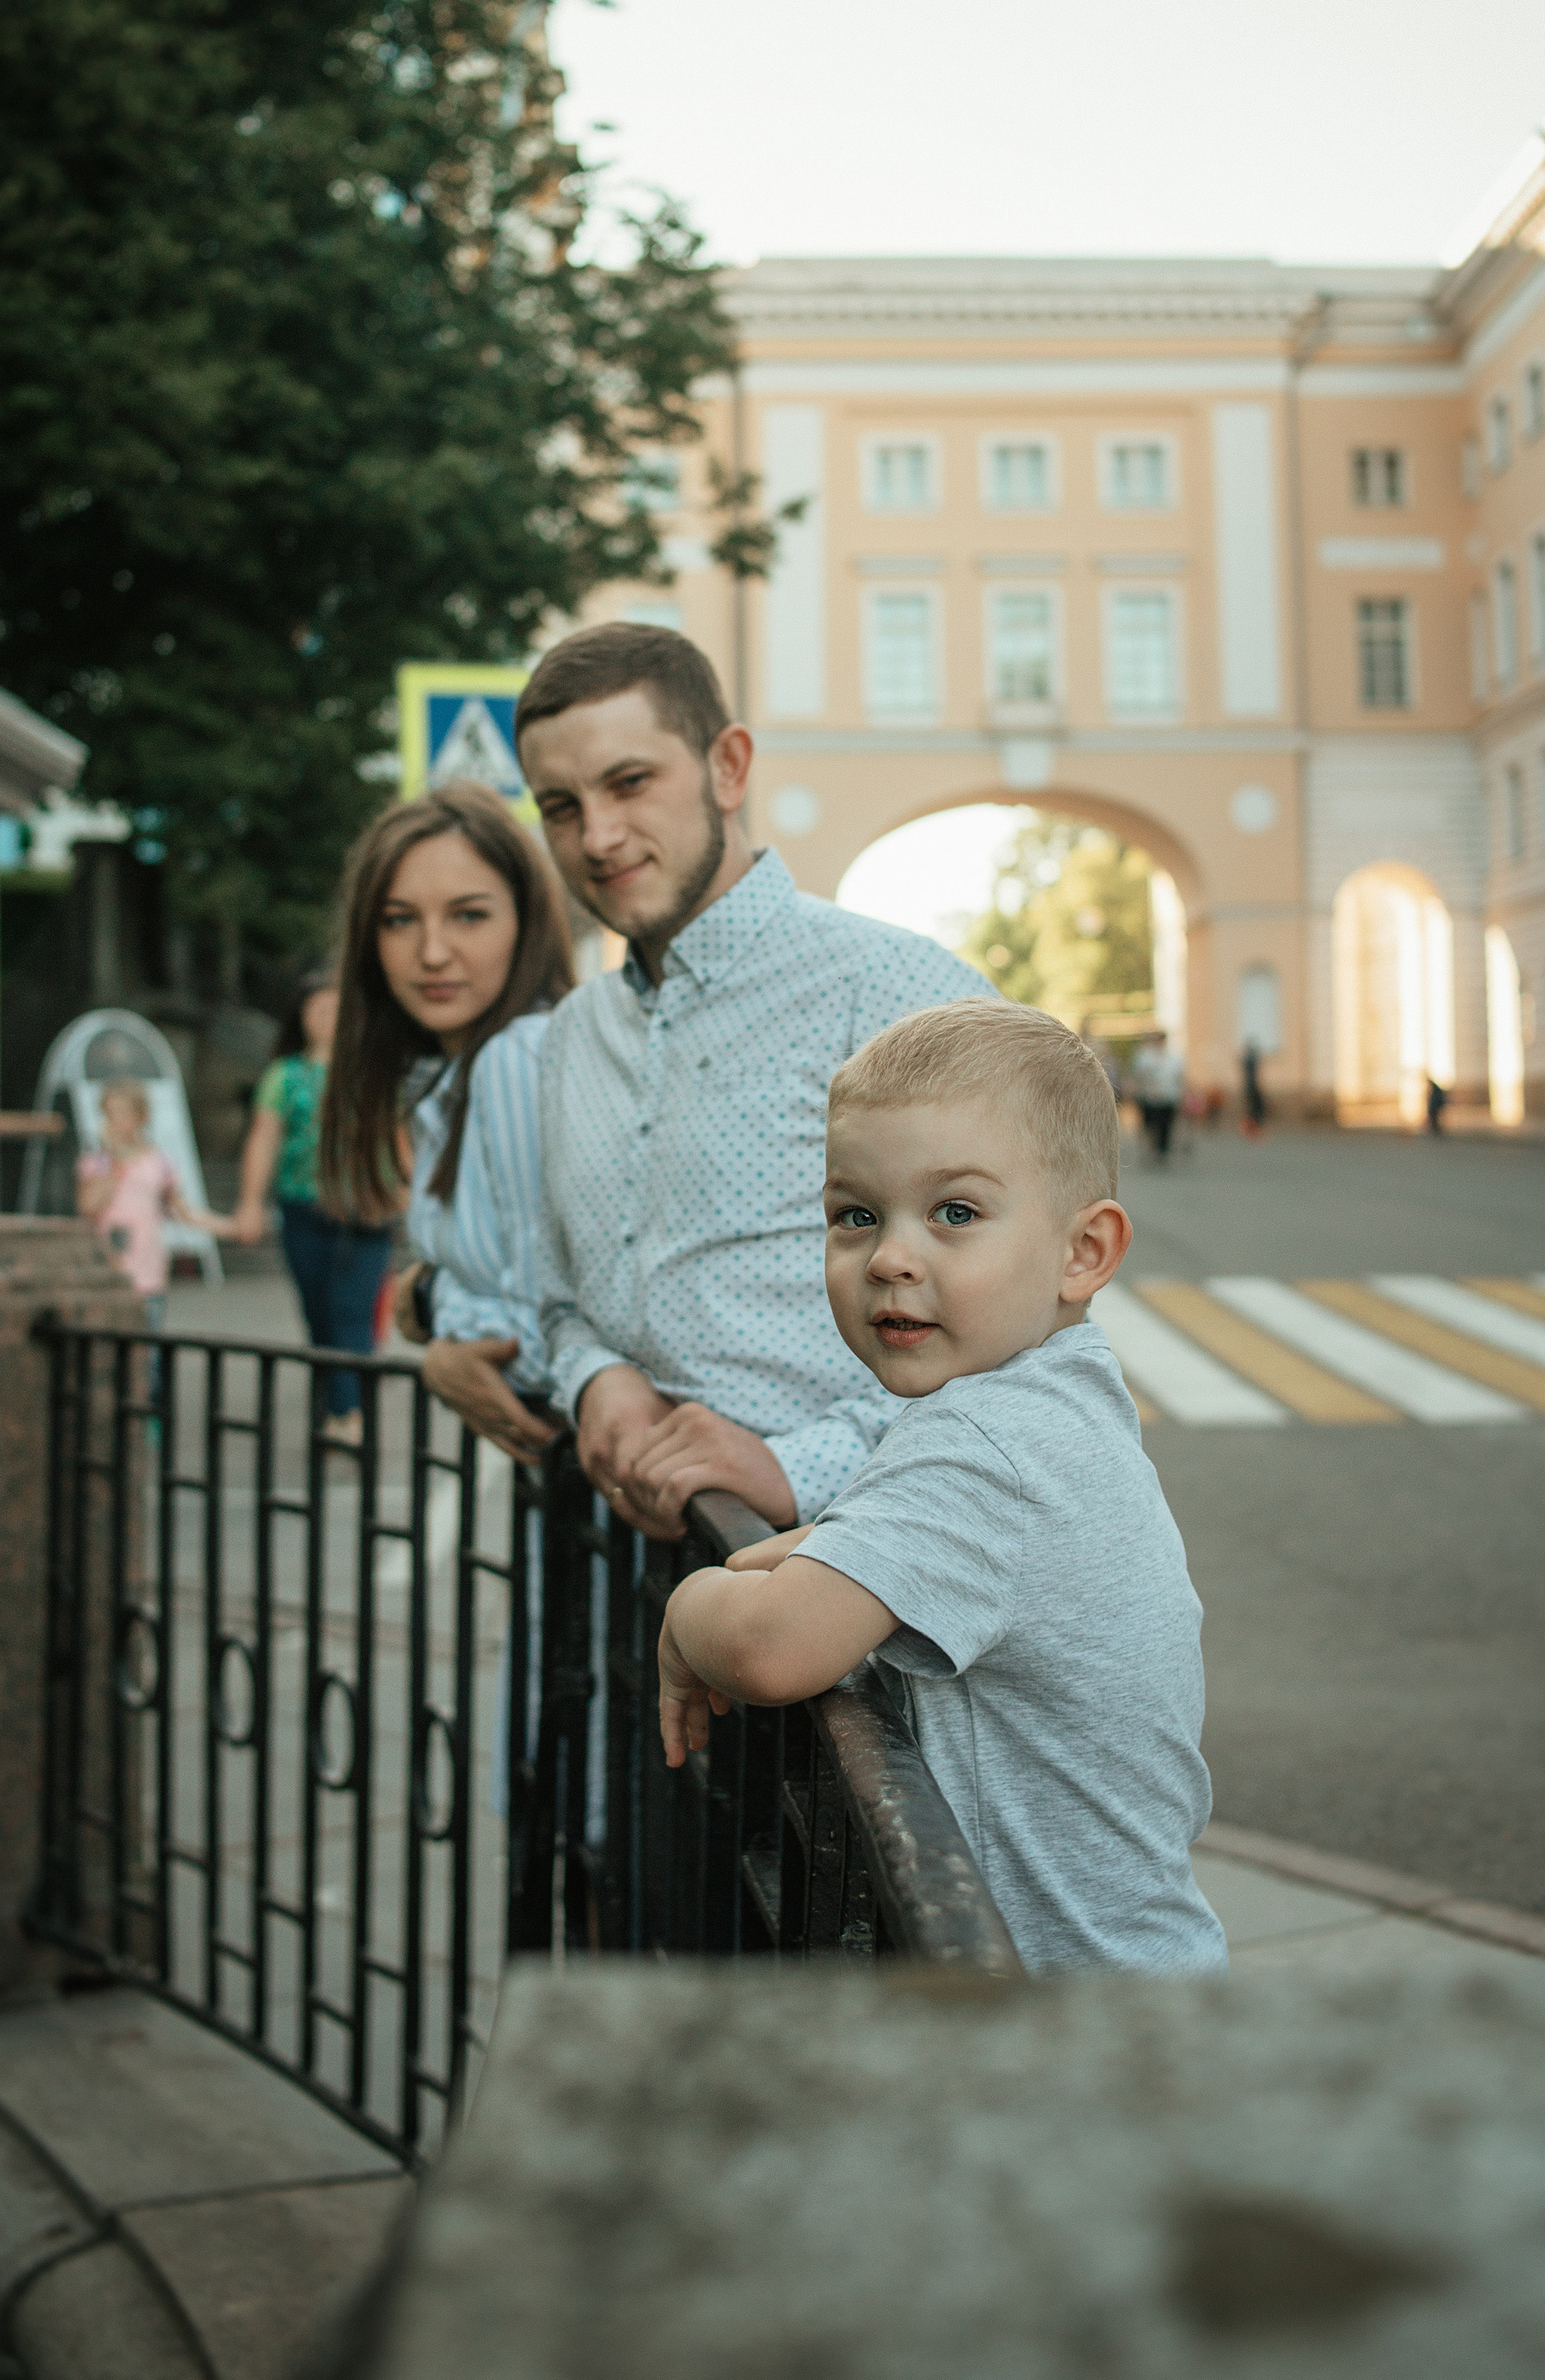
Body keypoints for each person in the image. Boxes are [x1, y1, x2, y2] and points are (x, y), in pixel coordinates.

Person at [656, 1000, 1228, 1977]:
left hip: (1056, 2018)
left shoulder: (988, 1443)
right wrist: (841, 1547)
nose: (890, 1255)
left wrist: (685, 1610)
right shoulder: (1058, 1395)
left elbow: (766, 1644)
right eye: (856, 1214)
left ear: (1083, 1251)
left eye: (955, 1212)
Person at [514, 621, 996, 1540]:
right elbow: (558, 1296)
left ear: (728, 767)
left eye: (629, 782)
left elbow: (1024, 1338)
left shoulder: (902, 996)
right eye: (560, 805)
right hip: (623, 1582)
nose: (598, 836)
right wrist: (594, 1375)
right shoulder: (573, 1037)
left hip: (859, 1595)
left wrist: (794, 1465)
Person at [318, 783, 574, 1465]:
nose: (432, 952)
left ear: (526, 922)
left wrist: (433, 1311)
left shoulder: (516, 1059)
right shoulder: (448, 1073)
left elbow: (543, 1333)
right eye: (399, 920)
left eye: (468, 915)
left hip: (597, 1479)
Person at [234, 967, 393, 1433]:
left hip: (365, 1212)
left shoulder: (377, 1071)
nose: (326, 1016)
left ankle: (349, 1414)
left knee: (353, 1308)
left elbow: (402, 1137)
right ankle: (342, 1399)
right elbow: (263, 1139)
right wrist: (249, 1202)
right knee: (320, 1313)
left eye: (336, 1007)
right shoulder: (284, 1076)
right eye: (316, 1006)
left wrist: (402, 1192)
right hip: (303, 1209)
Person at [76, 1080, 237, 1330]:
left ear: (140, 1116)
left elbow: (183, 1211)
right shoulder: (98, 1162)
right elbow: (88, 1206)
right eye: (110, 1114)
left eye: (122, 1113)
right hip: (109, 1272)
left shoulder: (158, 1162)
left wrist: (230, 1227)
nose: (116, 1122)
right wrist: (114, 1160)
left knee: (150, 1354)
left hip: (148, 1273)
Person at [1130, 1031, 1183, 1161]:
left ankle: (1162, 1150)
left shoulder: (1173, 1057)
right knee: (1150, 1124)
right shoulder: (1144, 1056)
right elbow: (1138, 1075)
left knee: (1166, 1125)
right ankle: (1152, 1145)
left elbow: (1179, 1076)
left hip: (1168, 1096)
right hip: (1149, 1096)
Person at [1238, 1039, 1267, 1138]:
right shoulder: (1250, 1060)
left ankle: (1250, 1129)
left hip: (1250, 1087)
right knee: (1256, 1110)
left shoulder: (1247, 1060)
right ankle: (1251, 1129)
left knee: (1254, 1109)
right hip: (1252, 1087)